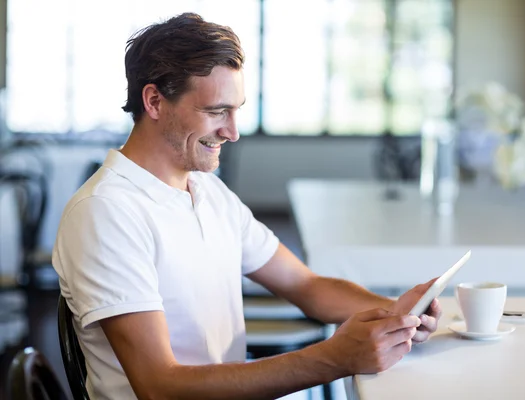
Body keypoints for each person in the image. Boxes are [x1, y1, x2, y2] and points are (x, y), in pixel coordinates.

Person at [52, 12, 441, 400]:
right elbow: (159, 386)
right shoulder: (105, 212)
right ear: (154, 101)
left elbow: (306, 286)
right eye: (215, 111)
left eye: (235, 110)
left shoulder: (207, 191)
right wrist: (333, 358)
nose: (232, 132)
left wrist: (398, 313)